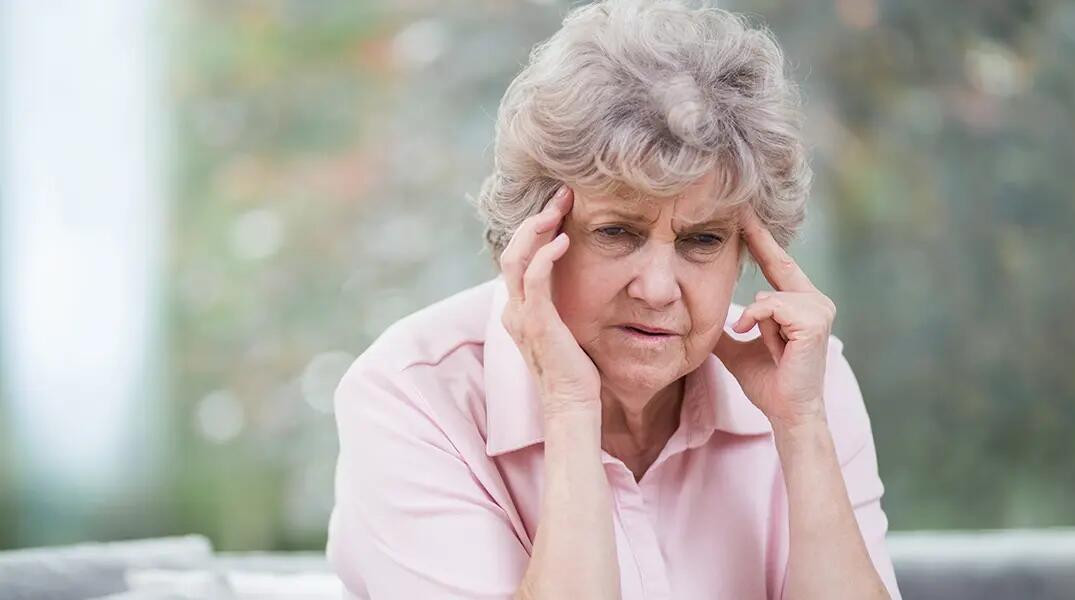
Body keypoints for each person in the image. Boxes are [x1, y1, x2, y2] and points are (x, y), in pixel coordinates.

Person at [325, 1, 901, 598]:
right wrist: (572, 409)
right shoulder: (411, 396)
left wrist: (801, 426)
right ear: (538, 235)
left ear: (748, 254)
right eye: (616, 233)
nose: (656, 289)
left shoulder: (805, 377)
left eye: (702, 240)